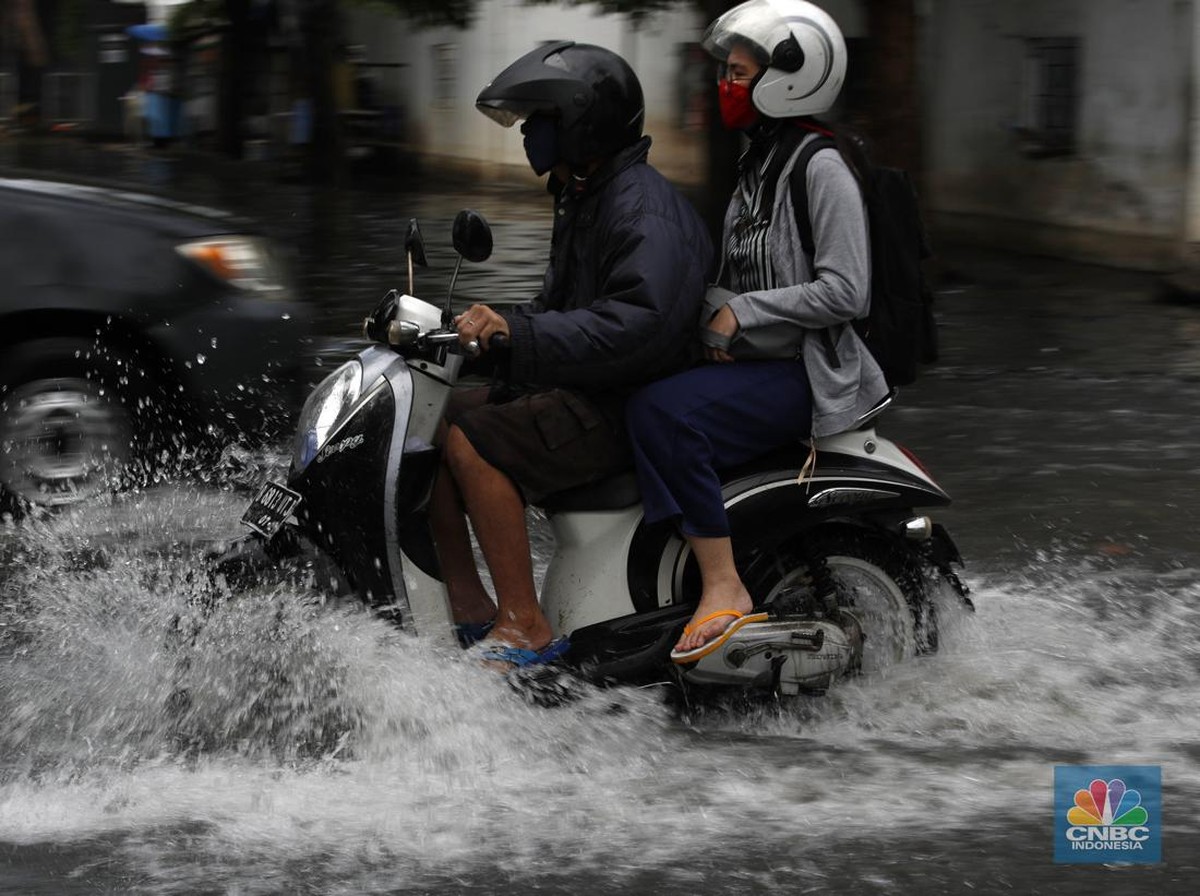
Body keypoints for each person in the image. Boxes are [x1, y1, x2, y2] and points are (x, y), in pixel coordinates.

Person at [429, 41, 713, 669]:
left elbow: (637, 327)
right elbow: (559, 311)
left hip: (625, 398)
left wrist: (518, 338)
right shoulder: (586, 196)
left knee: (474, 438)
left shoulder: (641, 209)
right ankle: (468, 607)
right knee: (438, 418)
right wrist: (475, 335)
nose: (529, 133)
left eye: (542, 120)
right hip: (593, 382)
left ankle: (523, 624)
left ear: (584, 123)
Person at [623, 0, 889, 663]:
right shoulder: (757, 167)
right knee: (639, 387)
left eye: (740, 73)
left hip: (810, 371)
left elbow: (848, 289)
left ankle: (723, 585)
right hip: (758, 363)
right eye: (727, 72)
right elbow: (736, 277)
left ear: (791, 77)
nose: (726, 85)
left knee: (667, 415)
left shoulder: (819, 166)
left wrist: (743, 314)